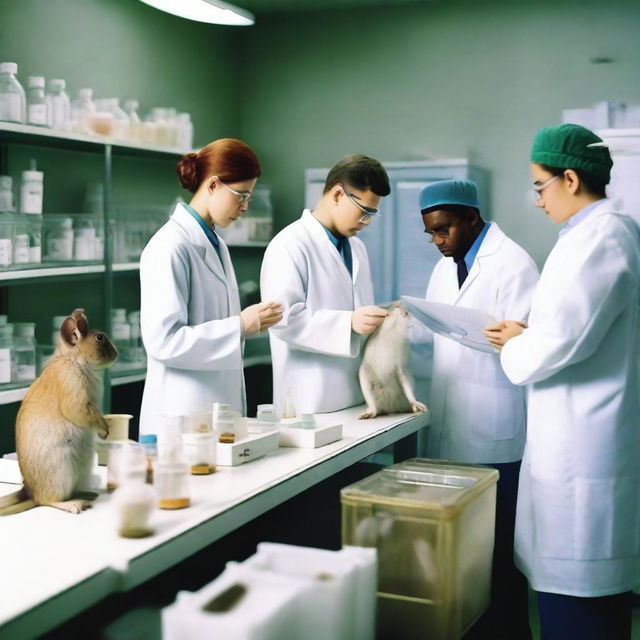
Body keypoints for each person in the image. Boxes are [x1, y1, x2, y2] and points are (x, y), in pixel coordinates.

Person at [484, 123, 640, 640]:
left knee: (580, 617)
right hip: (576, 450)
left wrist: (517, 344)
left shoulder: (603, 238)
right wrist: (532, 333)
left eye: (538, 187)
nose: (536, 200)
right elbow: (575, 331)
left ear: (569, 179)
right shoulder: (590, 235)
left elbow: (551, 349)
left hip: (583, 465)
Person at [417, 179, 539, 639]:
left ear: (470, 217)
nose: (438, 240)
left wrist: (501, 339)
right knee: (461, 559)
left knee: (497, 557)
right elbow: (434, 334)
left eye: (444, 229)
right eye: (430, 233)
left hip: (494, 435)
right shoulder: (446, 265)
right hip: (451, 430)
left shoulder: (514, 264)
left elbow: (527, 346)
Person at [139, 138, 283, 436]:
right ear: (214, 185)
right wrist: (240, 326)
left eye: (248, 198)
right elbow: (164, 341)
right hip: (180, 416)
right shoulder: (169, 246)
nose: (245, 208)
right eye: (241, 196)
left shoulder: (215, 243)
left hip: (212, 410)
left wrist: (244, 323)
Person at [260, 154, 390, 416]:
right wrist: (349, 322)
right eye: (364, 212)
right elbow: (283, 320)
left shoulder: (357, 248)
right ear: (338, 194)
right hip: (309, 402)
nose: (367, 222)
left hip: (356, 396)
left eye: (372, 214)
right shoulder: (289, 245)